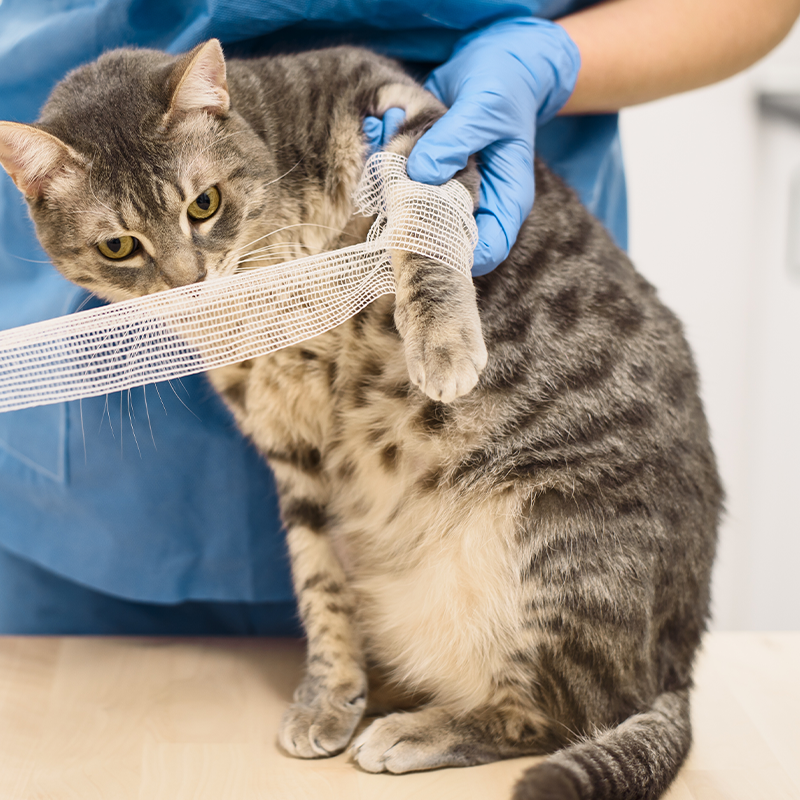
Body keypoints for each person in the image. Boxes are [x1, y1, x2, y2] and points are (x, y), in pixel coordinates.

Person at [0, 0, 797, 633]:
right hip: (105, 490)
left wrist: (552, 62)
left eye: (200, 215)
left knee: (537, 595)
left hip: (492, 334)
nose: (188, 276)